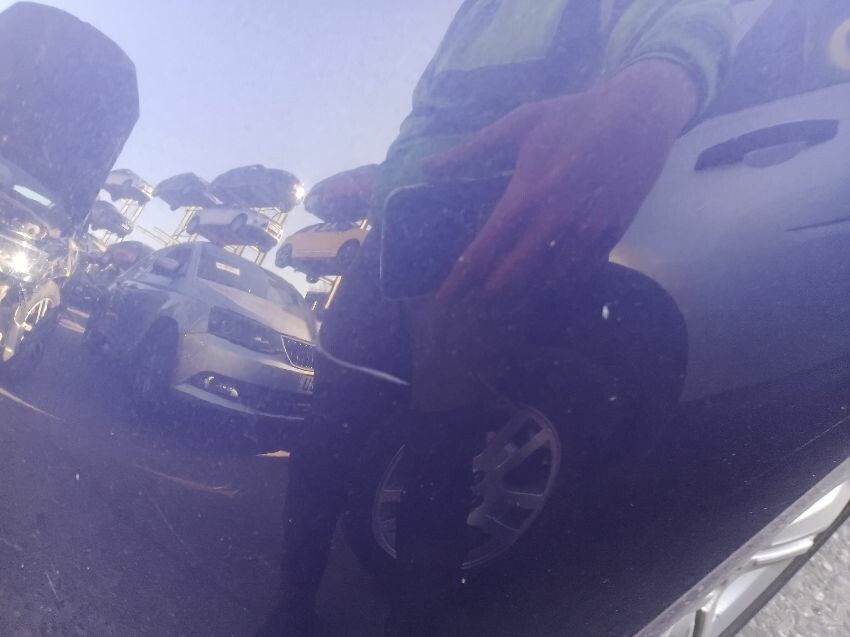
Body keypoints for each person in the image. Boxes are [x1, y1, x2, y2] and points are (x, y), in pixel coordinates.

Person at [260, 1, 733, 635]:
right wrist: (390, 174)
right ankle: (291, 614)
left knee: (432, 439)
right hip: (408, 215)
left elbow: (682, 16)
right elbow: (436, 111)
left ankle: (311, 616)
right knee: (366, 429)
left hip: (482, 208)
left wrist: (655, 89)